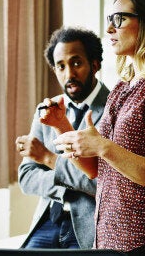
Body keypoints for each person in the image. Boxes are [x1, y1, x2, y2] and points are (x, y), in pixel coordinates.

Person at [49, 0, 145, 255]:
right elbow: (96, 169)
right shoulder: (123, 87)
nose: (109, 29)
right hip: (108, 239)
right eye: (109, 19)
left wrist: (104, 146)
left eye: (119, 19)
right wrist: (63, 126)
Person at [15, 27, 109, 249]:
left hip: (89, 228)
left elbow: (102, 183)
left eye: (76, 63)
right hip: (48, 221)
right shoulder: (46, 109)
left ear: (94, 64)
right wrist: (71, 186)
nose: (69, 74)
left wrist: (48, 159)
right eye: (61, 66)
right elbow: (26, 178)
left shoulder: (115, 108)